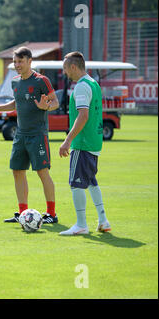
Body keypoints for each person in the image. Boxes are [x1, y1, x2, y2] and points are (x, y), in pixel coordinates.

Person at [0, 47, 60, 224]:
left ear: (30, 61)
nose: (17, 65)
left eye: (20, 62)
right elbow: (17, 102)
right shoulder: (15, 82)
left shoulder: (41, 80)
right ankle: (23, 213)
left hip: (37, 135)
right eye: (15, 62)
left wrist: (45, 106)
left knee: (42, 172)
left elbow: (55, 102)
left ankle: (51, 214)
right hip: (20, 135)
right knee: (17, 171)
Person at [58, 51, 111, 235]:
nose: (65, 72)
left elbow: (83, 115)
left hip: (83, 143)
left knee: (76, 183)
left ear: (73, 67)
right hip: (94, 142)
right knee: (91, 182)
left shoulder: (81, 86)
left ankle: (81, 225)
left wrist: (67, 140)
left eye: (65, 68)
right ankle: (103, 220)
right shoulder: (93, 83)